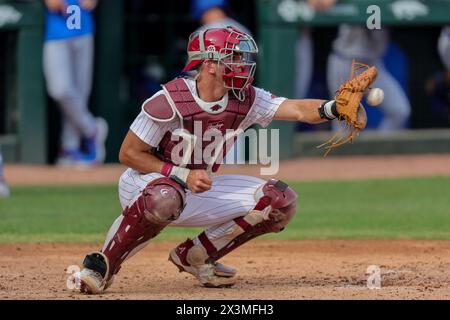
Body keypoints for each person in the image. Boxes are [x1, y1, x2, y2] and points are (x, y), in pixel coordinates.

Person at [75, 26, 369, 294]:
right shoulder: (170, 99)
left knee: (278, 200)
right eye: (234, 57)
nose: (242, 64)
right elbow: (128, 154)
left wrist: (334, 108)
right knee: (165, 197)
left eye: (241, 57)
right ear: (210, 64)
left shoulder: (245, 97)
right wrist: (180, 173)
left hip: (197, 186)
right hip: (146, 185)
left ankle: (196, 255)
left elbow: (296, 109)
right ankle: (103, 266)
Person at [43, 0, 108, 166]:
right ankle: (91, 129)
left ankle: (70, 148)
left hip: (84, 29)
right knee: (60, 89)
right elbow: (53, 4)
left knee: (80, 92)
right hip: (56, 32)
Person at [327, 26, 411, 132]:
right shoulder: (373, 10)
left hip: (372, 64)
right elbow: (372, 18)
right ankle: (345, 148)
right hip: (346, 62)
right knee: (343, 123)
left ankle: (378, 147)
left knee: (400, 111)